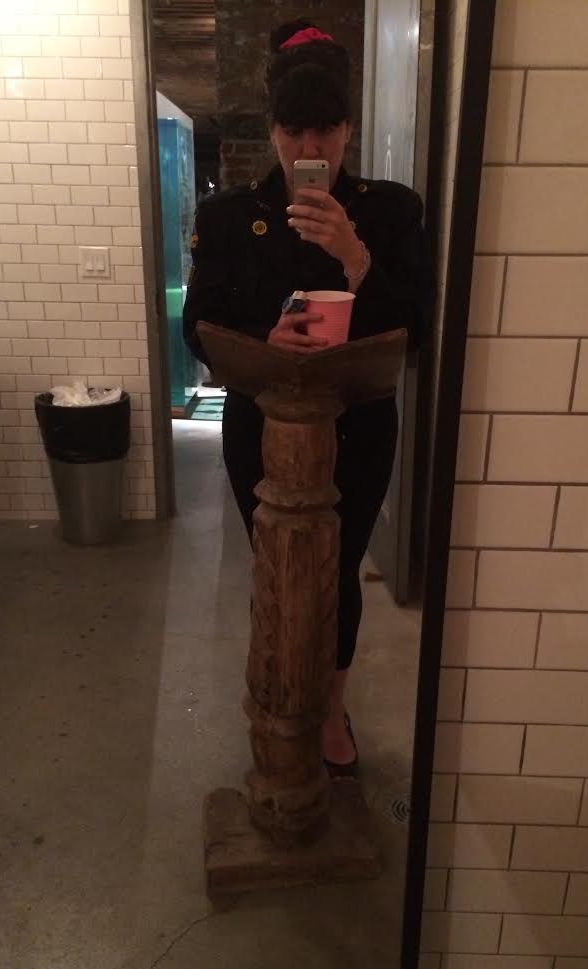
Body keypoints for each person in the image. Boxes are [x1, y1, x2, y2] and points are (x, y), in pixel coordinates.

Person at [183, 18, 431, 777]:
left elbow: (416, 330)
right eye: (294, 131)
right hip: (260, 422)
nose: (309, 147)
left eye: (325, 128)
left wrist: (355, 255)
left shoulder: (389, 211)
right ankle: (277, 690)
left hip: (360, 423)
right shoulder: (229, 215)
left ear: (349, 128)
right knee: (277, 566)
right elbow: (198, 324)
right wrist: (264, 338)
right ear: (273, 130)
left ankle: (329, 707)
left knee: (338, 567)